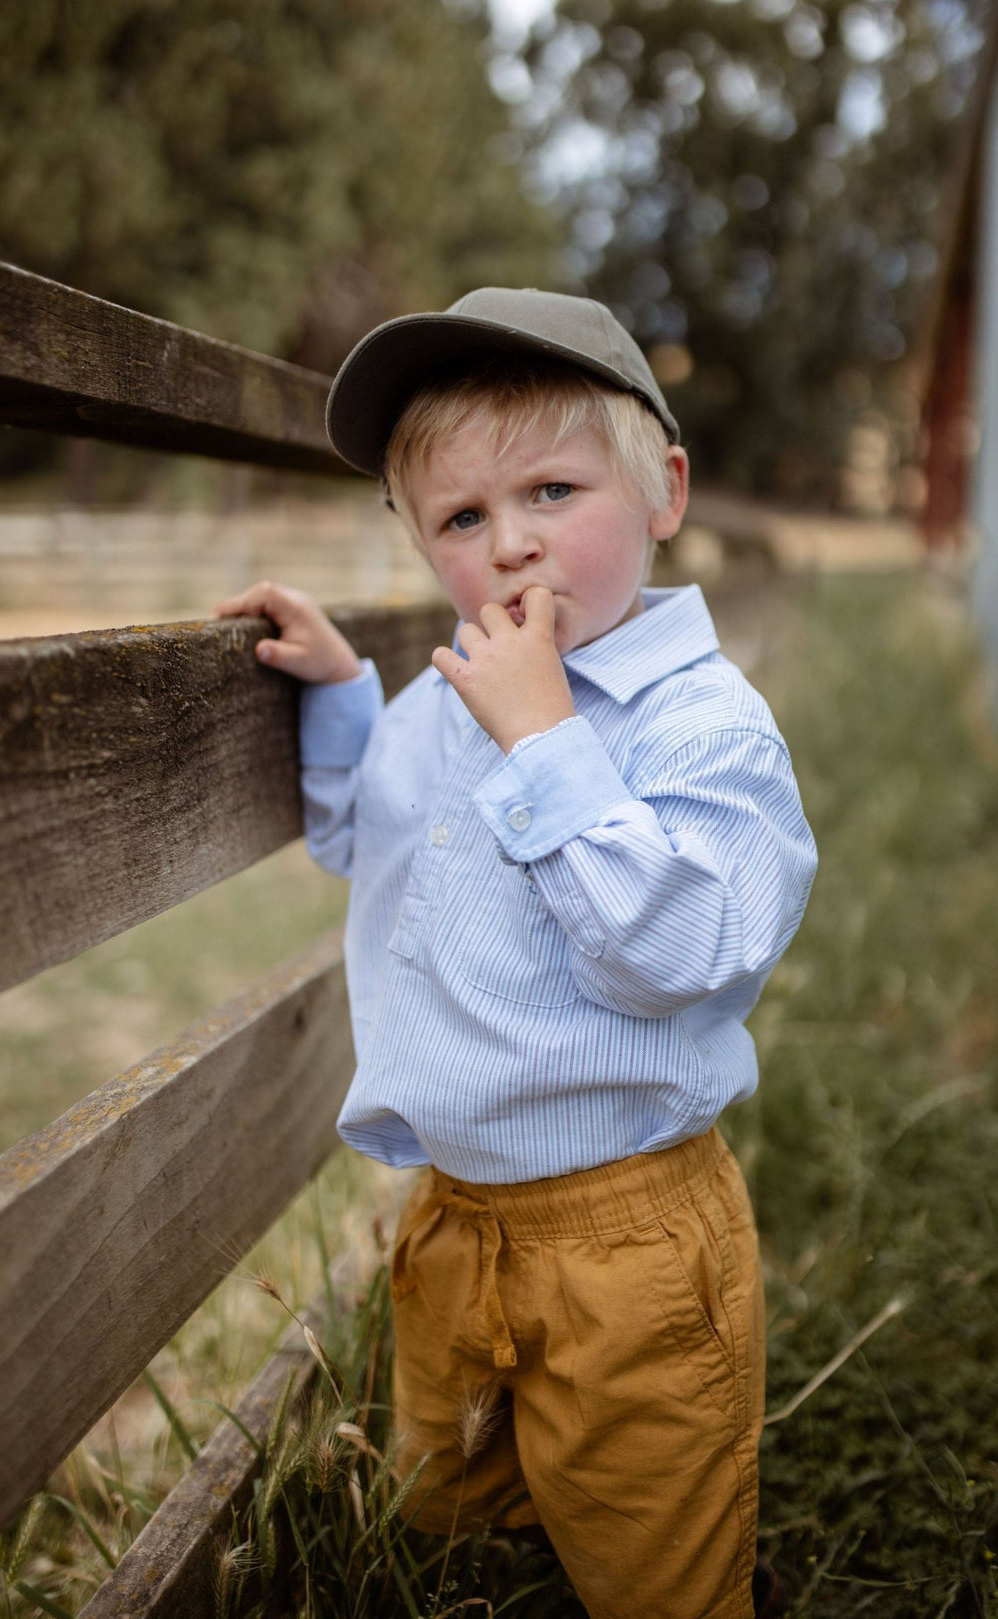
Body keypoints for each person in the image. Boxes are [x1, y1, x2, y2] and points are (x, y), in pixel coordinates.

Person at [216, 287, 815, 1619]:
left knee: (653, 1547)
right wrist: (343, 701)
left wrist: (549, 742)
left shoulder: (701, 725)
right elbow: (380, 845)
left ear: (663, 490)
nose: (515, 547)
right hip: (453, 1218)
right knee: (453, 1537)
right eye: (464, 518)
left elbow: (689, 952)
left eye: (552, 490)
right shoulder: (448, 695)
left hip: (631, 1239)